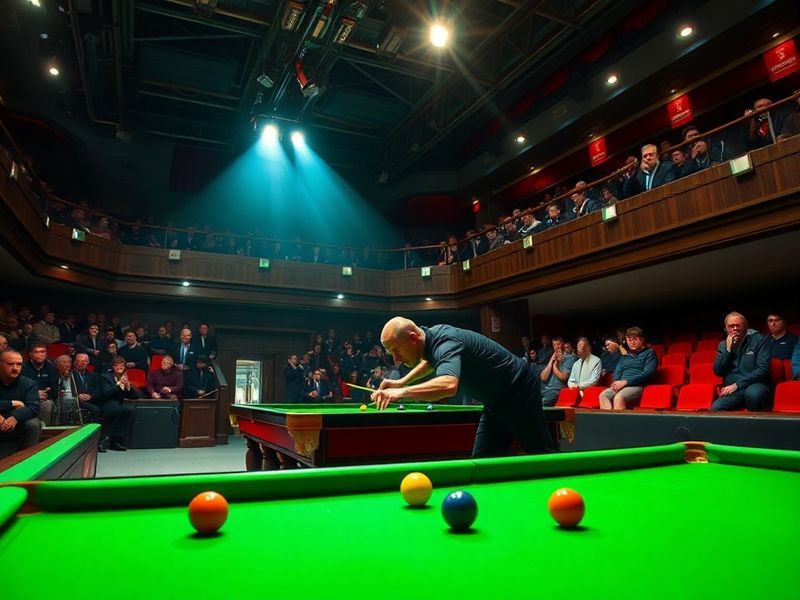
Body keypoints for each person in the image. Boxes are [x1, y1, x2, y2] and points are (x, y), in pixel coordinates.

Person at [373, 317, 555, 457]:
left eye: (396, 350)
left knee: (542, 453)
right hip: (494, 401)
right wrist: (401, 381)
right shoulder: (431, 340)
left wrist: (401, 392)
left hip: (519, 390)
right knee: (483, 463)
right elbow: (431, 363)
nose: (395, 358)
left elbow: (448, 385)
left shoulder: (445, 341)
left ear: (413, 338)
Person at [712, 312, 770, 411]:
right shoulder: (723, 345)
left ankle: (754, 426)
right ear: (726, 328)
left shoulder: (759, 340)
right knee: (716, 408)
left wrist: (737, 385)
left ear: (746, 326)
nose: (735, 328)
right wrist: (728, 351)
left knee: (754, 395)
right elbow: (718, 371)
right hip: (734, 391)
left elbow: (763, 369)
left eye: (738, 325)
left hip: (754, 385)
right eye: (731, 326)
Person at [599, 327, 657, 410]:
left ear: (642, 340)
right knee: (603, 395)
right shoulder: (625, 357)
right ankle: (608, 422)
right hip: (622, 385)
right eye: (629, 340)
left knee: (619, 397)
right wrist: (617, 383)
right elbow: (617, 372)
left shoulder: (649, 353)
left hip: (638, 386)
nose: (632, 342)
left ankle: (618, 423)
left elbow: (648, 373)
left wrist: (625, 382)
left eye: (635, 339)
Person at [0, 349, 42, 456]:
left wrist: (15, 417)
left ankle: (27, 458)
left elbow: (34, 407)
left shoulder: (29, 384)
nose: (15, 368)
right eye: (10, 364)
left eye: (19, 364)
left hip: (17, 426)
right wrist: (13, 403)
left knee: (34, 424)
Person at [94, 356, 137, 451]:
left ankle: (116, 440)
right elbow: (106, 394)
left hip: (118, 404)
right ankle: (104, 441)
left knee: (128, 410)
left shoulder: (124, 377)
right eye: (117, 366)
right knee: (121, 411)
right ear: (113, 367)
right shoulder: (105, 377)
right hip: (106, 403)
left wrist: (128, 386)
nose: (120, 368)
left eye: (122, 366)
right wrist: (119, 386)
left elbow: (134, 396)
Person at [539, 337, 576, 407]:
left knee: (541, 402)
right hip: (544, 389)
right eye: (554, 345)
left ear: (563, 344)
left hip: (556, 390)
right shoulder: (552, 357)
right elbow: (543, 377)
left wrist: (555, 365)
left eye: (558, 344)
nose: (556, 347)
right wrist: (550, 362)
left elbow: (563, 377)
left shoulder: (569, 358)